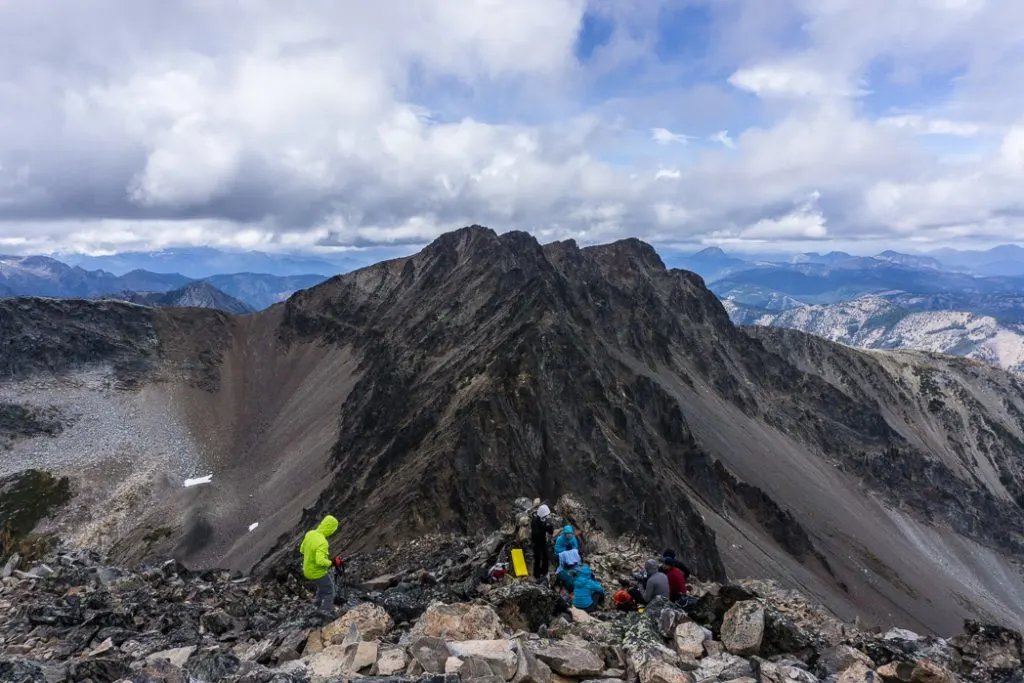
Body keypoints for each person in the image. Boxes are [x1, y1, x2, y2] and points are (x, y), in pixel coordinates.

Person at [299, 514, 341, 614]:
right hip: (316, 572)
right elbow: (320, 561)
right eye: (333, 529)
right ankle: (326, 613)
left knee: (322, 587)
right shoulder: (323, 542)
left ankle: (316, 606)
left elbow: (302, 550)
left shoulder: (310, 534)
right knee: (330, 590)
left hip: (307, 570)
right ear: (330, 529)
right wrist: (332, 562)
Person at [530, 504, 555, 580]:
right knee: (537, 558)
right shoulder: (534, 521)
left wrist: (549, 527)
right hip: (536, 542)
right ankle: (536, 574)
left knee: (545, 557)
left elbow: (550, 531)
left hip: (543, 541)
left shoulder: (543, 520)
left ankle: (544, 572)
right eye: (545, 516)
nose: (546, 517)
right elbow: (535, 533)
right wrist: (545, 527)